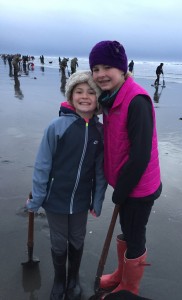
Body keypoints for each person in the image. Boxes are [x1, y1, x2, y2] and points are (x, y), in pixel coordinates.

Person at [89, 41, 162, 296]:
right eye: (96, 68)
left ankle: (130, 287)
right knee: (127, 230)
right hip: (125, 183)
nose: (100, 74)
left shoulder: (136, 100)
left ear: (122, 69)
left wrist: (121, 189)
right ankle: (121, 274)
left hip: (139, 186)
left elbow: (140, 155)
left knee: (134, 235)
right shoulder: (110, 98)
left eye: (107, 67)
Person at [26, 71, 107, 300]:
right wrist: (37, 199)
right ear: (71, 96)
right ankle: (60, 279)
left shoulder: (100, 132)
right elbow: (42, 165)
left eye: (91, 92)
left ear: (98, 99)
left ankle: (74, 278)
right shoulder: (57, 126)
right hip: (55, 199)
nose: (84, 96)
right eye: (79, 92)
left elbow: (101, 171)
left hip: (81, 200)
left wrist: (97, 200)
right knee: (59, 241)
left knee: (77, 239)